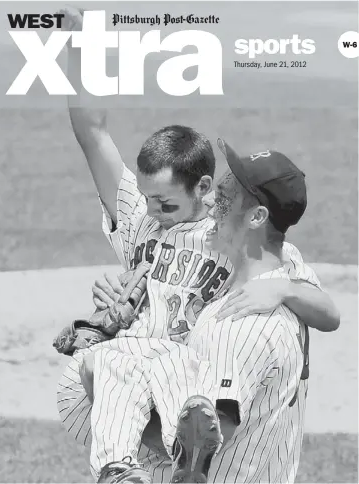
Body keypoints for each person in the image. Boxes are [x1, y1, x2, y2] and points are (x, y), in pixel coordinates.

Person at [56, 6, 340, 483]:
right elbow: (93, 134)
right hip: (148, 392)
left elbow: (325, 310)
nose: (151, 214)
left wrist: (286, 290)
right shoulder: (141, 220)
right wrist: (82, 45)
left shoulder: (233, 238)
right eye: (146, 199)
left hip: (205, 405)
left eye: (166, 204)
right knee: (98, 367)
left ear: (203, 188)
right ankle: (124, 465)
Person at [169, 141, 316, 483]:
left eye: (222, 198)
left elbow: (201, 451)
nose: (208, 205)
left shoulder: (237, 324)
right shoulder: (291, 275)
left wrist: (109, 405)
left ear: (257, 217)